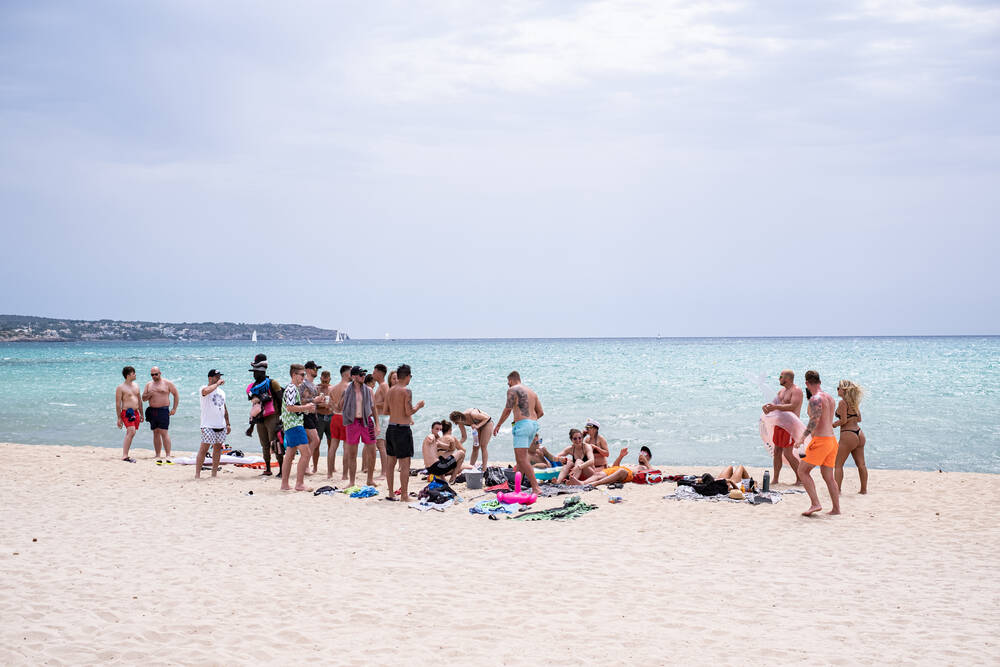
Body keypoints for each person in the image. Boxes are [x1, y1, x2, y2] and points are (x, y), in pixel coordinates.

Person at [793, 370, 841, 516]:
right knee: (829, 476)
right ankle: (836, 509)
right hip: (832, 441)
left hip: (821, 441)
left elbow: (815, 420)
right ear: (819, 381)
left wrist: (802, 438)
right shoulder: (830, 398)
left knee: (802, 471)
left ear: (807, 383)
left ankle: (815, 504)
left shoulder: (815, 399)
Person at [493, 371, 544, 495]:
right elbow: (541, 412)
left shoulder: (513, 389)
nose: (508, 385)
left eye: (508, 383)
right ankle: (517, 488)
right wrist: (529, 421)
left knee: (522, 459)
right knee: (521, 460)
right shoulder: (532, 392)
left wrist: (498, 425)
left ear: (511, 380)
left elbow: (508, 409)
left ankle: (536, 487)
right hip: (533, 425)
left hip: (522, 425)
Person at [385, 364, 425, 502]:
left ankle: (391, 493)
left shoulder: (390, 390)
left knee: (390, 463)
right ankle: (404, 495)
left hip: (390, 428)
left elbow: (385, 410)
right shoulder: (406, 391)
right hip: (402, 429)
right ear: (407, 376)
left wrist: (396, 411)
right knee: (405, 464)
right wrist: (418, 406)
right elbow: (409, 412)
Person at [338, 366, 379, 487]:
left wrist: (377, 425)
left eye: (364, 374)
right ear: (354, 377)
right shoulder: (347, 390)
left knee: (372, 452)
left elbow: (374, 408)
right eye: (361, 375)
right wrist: (344, 396)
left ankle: (370, 479)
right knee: (352, 454)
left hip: (367, 421)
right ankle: (352, 482)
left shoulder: (369, 390)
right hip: (352, 422)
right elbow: (340, 407)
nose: (363, 377)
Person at [762, 369, 803, 484]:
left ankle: (800, 478)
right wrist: (767, 407)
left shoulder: (796, 390)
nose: (779, 378)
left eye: (781, 376)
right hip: (779, 424)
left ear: (788, 378)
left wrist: (775, 407)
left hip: (790, 426)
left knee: (788, 454)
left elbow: (793, 406)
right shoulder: (781, 391)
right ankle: (775, 479)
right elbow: (774, 404)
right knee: (777, 452)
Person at [280, 364, 316, 491]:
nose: (304, 377)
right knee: (306, 454)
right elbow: (290, 407)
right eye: (302, 375)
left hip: (290, 425)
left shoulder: (292, 388)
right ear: (294, 375)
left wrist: (305, 409)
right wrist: (306, 407)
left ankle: (284, 484)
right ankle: (299, 484)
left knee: (289, 455)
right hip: (294, 425)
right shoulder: (291, 388)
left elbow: (291, 408)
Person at [247, 358, 284, 477]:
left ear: (261, 372)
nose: (254, 375)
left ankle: (282, 469)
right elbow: (255, 407)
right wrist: (251, 426)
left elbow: (281, 400)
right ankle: (268, 469)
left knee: (276, 443)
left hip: (273, 417)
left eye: (255, 372)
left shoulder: (273, 383)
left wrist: (281, 418)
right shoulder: (254, 386)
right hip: (260, 419)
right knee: (264, 445)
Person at [834, 380, 868, 494]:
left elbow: (843, 420)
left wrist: (834, 424)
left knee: (838, 465)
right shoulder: (854, 402)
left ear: (844, 390)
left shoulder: (842, 403)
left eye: (838, 388)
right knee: (861, 464)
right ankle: (863, 490)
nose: (837, 390)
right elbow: (859, 419)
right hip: (859, 433)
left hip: (848, 434)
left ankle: (837, 491)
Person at [196, 369, 231, 479]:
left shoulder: (222, 392)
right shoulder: (203, 388)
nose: (219, 379)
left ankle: (214, 474)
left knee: (217, 450)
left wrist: (228, 423)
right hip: (208, 425)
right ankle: (197, 474)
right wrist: (217, 384)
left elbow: (224, 408)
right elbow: (205, 391)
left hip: (220, 425)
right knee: (204, 449)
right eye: (216, 377)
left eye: (219, 377)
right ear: (210, 378)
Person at [142, 366, 179, 463]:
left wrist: (174, 408)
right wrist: (149, 394)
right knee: (155, 432)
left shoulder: (167, 383)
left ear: (160, 373)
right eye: (152, 375)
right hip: (152, 410)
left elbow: (176, 394)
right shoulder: (149, 385)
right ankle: (157, 454)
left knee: (164, 432)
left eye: (156, 374)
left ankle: (168, 454)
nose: (154, 376)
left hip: (163, 410)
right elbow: (143, 398)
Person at [571, 446, 652, 486]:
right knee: (598, 474)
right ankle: (582, 483)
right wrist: (621, 456)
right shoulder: (631, 464)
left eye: (645, 454)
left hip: (625, 474)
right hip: (615, 471)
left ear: (649, 457)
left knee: (622, 471)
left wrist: (646, 461)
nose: (642, 455)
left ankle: (594, 484)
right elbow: (614, 466)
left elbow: (652, 473)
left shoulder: (645, 467)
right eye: (641, 453)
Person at [327, 365, 351, 479]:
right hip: (345, 418)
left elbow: (329, 405)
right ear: (346, 374)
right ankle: (344, 475)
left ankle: (329, 473)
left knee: (333, 446)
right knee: (346, 447)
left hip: (335, 417)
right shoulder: (349, 387)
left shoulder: (333, 388)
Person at [115, 366, 143, 462]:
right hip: (127, 412)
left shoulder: (136, 385)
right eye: (133, 373)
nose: (135, 375)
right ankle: (124, 455)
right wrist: (119, 418)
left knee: (132, 432)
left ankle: (125, 454)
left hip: (136, 412)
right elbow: (118, 404)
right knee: (131, 431)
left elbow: (139, 401)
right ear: (128, 375)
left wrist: (142, 414)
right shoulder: (120, 388)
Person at [300, 361, 324, 471]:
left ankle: (305, 466)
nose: (316, 371)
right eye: (315, 369)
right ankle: (304, 465)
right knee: (315, 440)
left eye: (317, 369)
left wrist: (319, 401)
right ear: (308, 370)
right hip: (305, 414)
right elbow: (299, 400)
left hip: (313, 414)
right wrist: (314, 400)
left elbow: (312, 400)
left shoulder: (313, 384)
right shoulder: (303, 383)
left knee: (311, 441)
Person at [313, 370, 334, 473]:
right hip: (320, 417)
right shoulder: (316, 388)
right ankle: (315, 467)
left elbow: (336, 403)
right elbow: (312, 403)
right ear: (320, 378)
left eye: (326, 380)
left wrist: (330, 405)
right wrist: (322, 405)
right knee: (317, 443)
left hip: (330, 417)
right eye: (323, 379)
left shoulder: (332, 388)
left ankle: (331, 467)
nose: (325, 382)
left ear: (330, 379)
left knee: (331, 444)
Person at [372, 364, 390, 480]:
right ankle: (385, 471)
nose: (373, 374)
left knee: (381, 444)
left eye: (374, 372)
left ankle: (384, 472)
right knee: (381, 444)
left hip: (383, 418)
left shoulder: (383, 386)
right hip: (380, 417)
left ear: (380, 373)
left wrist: (374, 404)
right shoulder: (380, 386)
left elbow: (389, 403)